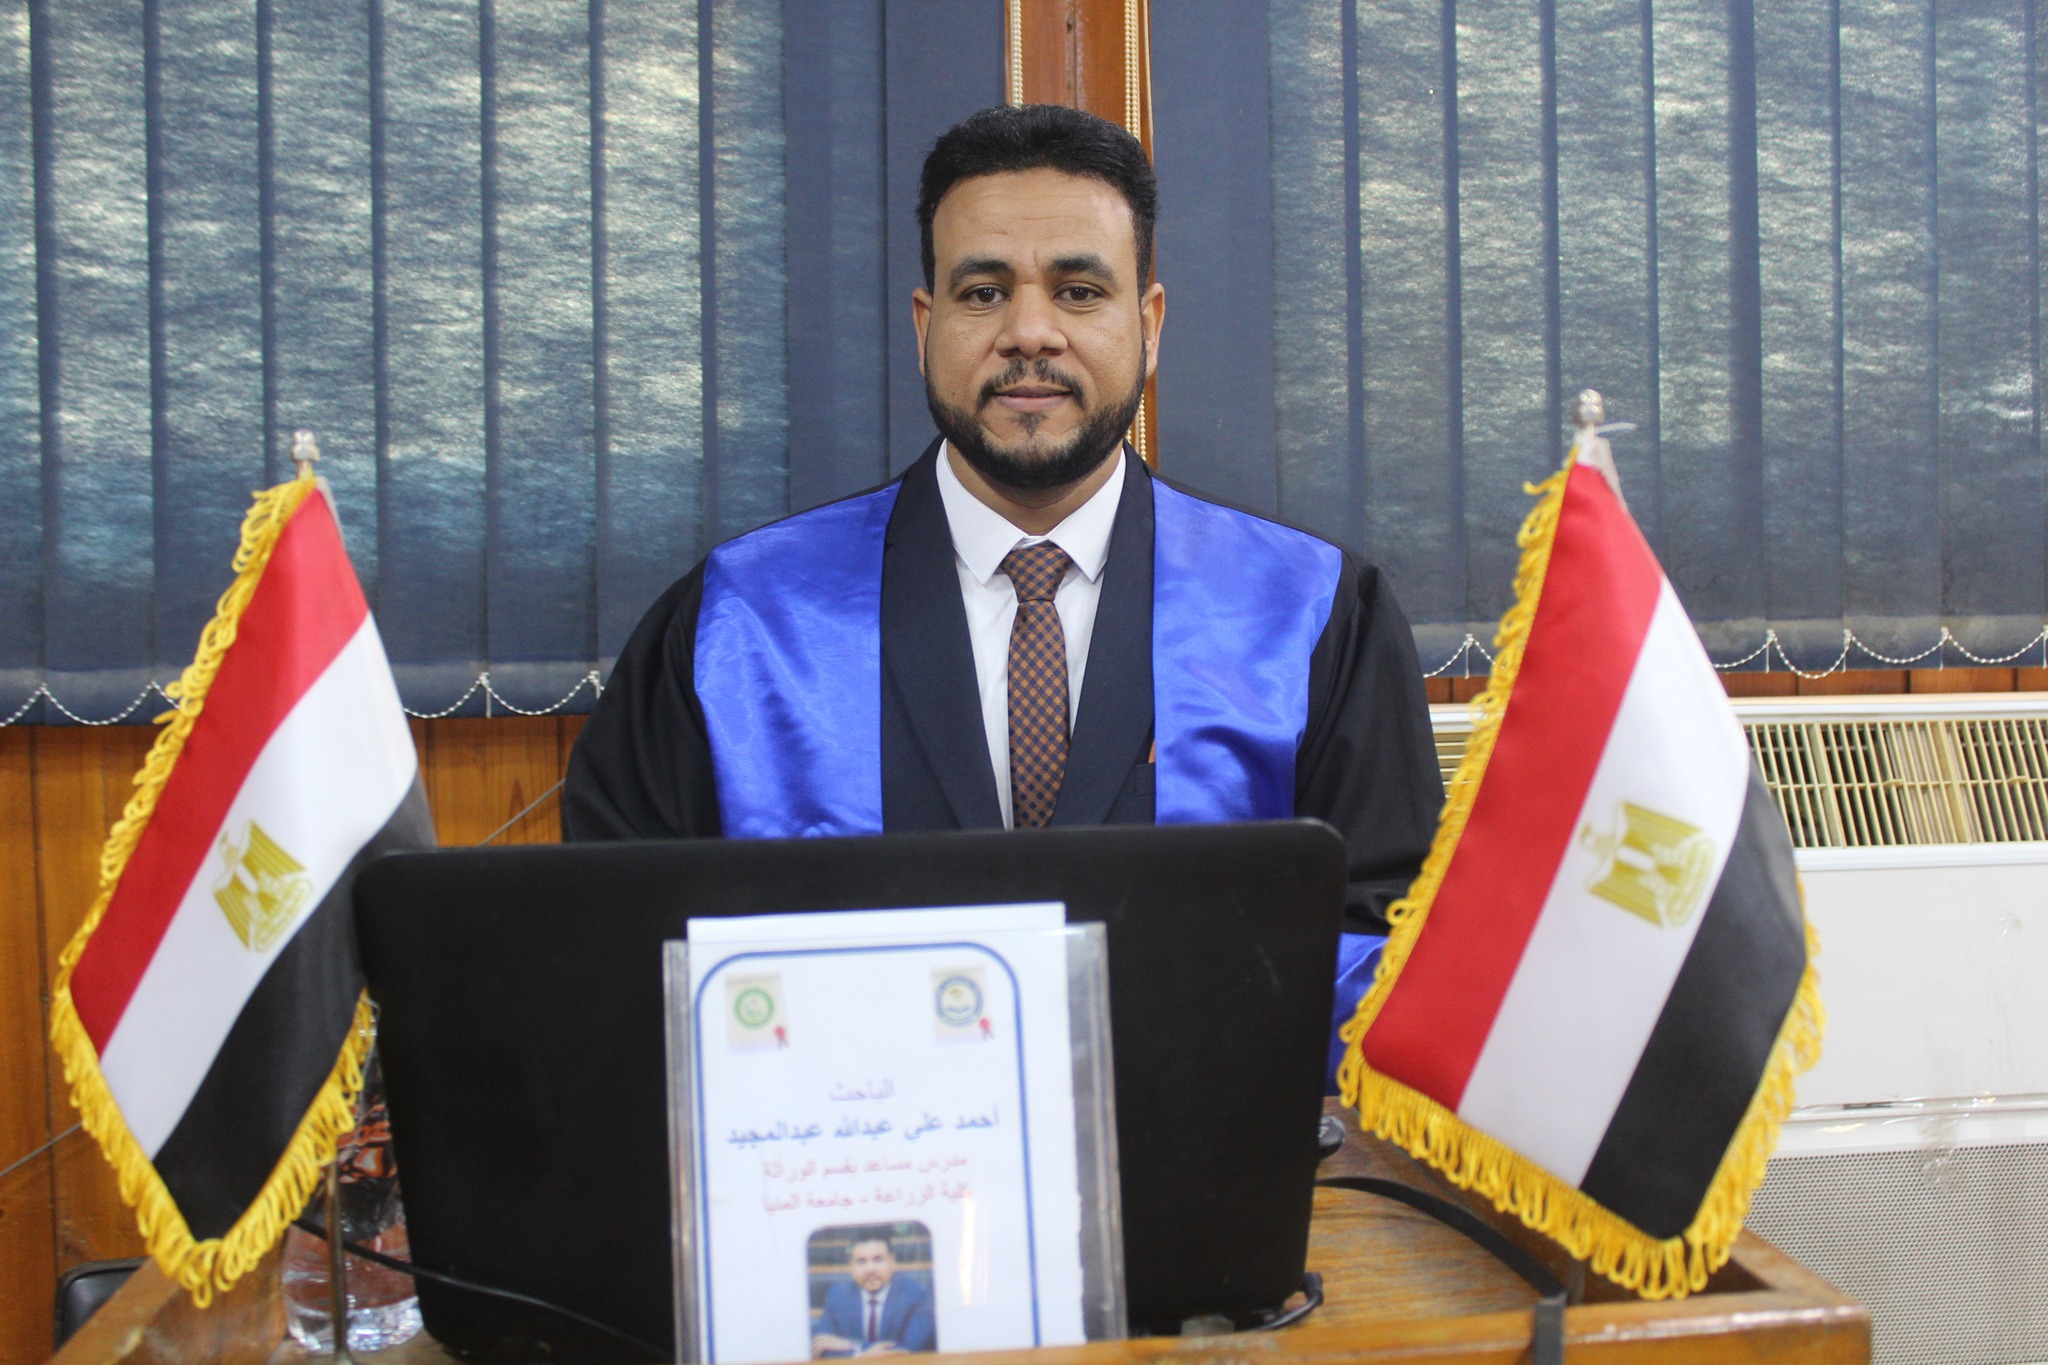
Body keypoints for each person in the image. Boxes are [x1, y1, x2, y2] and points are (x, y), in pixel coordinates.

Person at [563, 105, 1443, 1069]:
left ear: (1148, 325)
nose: (1030, 333)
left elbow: (1388, 943)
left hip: (1202, 1145)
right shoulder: (741, 623)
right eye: (983, 293)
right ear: (925, 325)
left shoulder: (1308, 614)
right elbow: (619, 952)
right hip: (856, 1148)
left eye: (1079, 291)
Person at [811, 1236, 937, 1357]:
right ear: (851, 1266)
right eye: (861, 1262)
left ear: (892, 1262)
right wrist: (860, 1354)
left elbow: (909, 1350)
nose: (870, 1269)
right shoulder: (837, 1295)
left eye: (878, 1260)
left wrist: (855, 1346)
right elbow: (821, 1346)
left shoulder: (916, 1294)